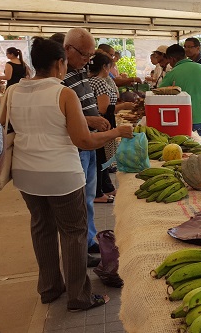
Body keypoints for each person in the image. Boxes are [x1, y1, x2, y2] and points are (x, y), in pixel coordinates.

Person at [0, 36, 133, 312]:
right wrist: (115, 132)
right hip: (61, 174)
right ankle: (79, 296)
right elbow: (83, 140)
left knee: (42, 229)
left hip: (25, 174)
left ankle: (49, 289)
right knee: (74, 233)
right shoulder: (63, 93)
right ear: (60, 63)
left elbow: (7, 128)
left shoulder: (13, 91)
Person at [63, 28, 110, 265]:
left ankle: (89, 239)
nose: (88, 60)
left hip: (89, 143)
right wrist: (88, 120)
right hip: (77, 145)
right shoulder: (58, 76)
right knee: (79, 201)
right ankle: (80, 249)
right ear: (67, 49)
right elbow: (61, 114)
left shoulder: (81, 70)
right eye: (84, 54)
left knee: (89, 197)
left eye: (91, 56)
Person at [88, 49, 135, 203]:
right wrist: (124, 106)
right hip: (102, 122)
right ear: (104, 67)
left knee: (100, 158)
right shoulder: (100, 82)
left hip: (96, 123)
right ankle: (98, 192)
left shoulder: (88, 80)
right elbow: (104, 109)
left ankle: (106, 187)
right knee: (101, 158)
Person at [159, 44, 201, 151]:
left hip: (193, 120)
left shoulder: (173, 73)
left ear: (172, 59)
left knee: (198, 154)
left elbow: (158, 95)